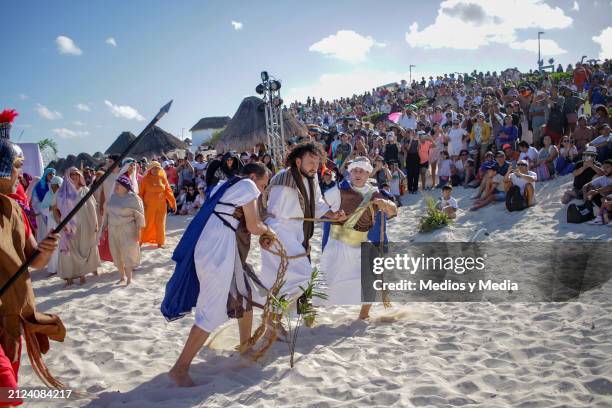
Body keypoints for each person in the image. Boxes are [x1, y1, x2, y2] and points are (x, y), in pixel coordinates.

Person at [168, 163, 277, 387]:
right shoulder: (247, 185)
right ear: (254, 177)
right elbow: (255, 226)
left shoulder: (225, 184)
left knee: (243, 292)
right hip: (218, 251)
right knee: (211, 311)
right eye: (263, 184)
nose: (262, 190)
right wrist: (269, 230)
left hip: (212, 247)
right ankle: (180, 368)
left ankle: (245, 346)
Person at [0, 137, 66, 399]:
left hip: (12, 315)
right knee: (6, 390)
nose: (21, 173)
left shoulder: (15, 209)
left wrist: (46, 249)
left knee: (8, 387)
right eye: (16, 165)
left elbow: (34, 262)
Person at [260, 142, 343, 316]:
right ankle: (276, 315)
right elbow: (272, 213)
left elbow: (318, 203)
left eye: (317, 162)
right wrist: (269, 234)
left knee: (296, 278)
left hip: (300, 233)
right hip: (281, 234)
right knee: (298, 277)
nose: (315, 167)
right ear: (298, 162)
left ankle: (298, 315)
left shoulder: (311, 179)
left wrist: (331, 214)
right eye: (310, 162)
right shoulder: (283, 179)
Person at [320, 157, 397, 319]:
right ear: (350, 172)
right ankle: (307, 314)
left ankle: (364, 314)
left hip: (360, 243)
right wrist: (332, 215)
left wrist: (386, 204)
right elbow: (319, 207)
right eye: (355, 170)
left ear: (368, 173)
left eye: (362, 171)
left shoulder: (375, 193)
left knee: (370, 278)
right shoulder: (338, 190)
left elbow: (393, 211)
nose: (357, 174)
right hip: (337, 243)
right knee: (323, 283)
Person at [55, 167, 100, 287]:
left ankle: (82, 275)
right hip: (68, 226)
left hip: (85, 224)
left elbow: (92, 207)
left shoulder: (85, 190)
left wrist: (95, 223)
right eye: (71, 174)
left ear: (80, 176)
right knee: (69, 251)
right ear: (67, 176)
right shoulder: (61, 192)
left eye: (76, 174)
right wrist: (61, 222)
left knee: (83, 248)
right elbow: (55, 208)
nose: (74, 176)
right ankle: (69, 277)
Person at [99, 174, 145, 285]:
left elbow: (140, 217)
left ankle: (129, 278)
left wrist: (138, 231)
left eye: (119, 185)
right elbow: (107, 215)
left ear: (126, 186)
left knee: (128, 253)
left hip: (128, 230)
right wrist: (103, 230)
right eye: (116, 184)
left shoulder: (133, 198)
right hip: (113, 229)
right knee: (116, 253)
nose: (116, 186)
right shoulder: (112, 197)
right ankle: (121, 277)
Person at [139, 161, 177, 248]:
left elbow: (168, 191)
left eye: (157, 168)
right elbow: (140, 194)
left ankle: (160, 243)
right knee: (147, 223)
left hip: (161, 206)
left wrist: (173, 203)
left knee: (160, 223)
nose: (156, 170)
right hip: (148, 206)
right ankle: (141, 241)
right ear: (150, 169)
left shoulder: (163, 179)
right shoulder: (145, 179)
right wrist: (141, 204)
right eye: (154, 168)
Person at [40, 176, 63, 275]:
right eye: (52, 186)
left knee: (63, 244)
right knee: (53, 245)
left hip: (62, 223)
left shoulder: (63, 195)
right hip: (52, 223)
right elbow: (42, 208)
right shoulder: (48, 195)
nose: (53, 188)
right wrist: (51, 208)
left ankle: (63, 267)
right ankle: (53, 268)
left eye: (55, 186)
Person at [31, 168, 56, 242]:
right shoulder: (39, 186)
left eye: (54, 174)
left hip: (53, 213)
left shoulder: (55, 185)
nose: (52, 176)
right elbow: (35, 201)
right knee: (43, 234)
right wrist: (44, 207)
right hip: (41, 215)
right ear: (46, 175)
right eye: (50, 174)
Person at [583, 159, 612, 225]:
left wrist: (597, 191)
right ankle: (600, 217)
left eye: (607, 167)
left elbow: (610, 187)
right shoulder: (603, 178)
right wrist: (586, 197)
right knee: (591, 189)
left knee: (606, 197)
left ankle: (600, 218)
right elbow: (586, 186)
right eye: (604, 167)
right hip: (606, 202)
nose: (605, 169)